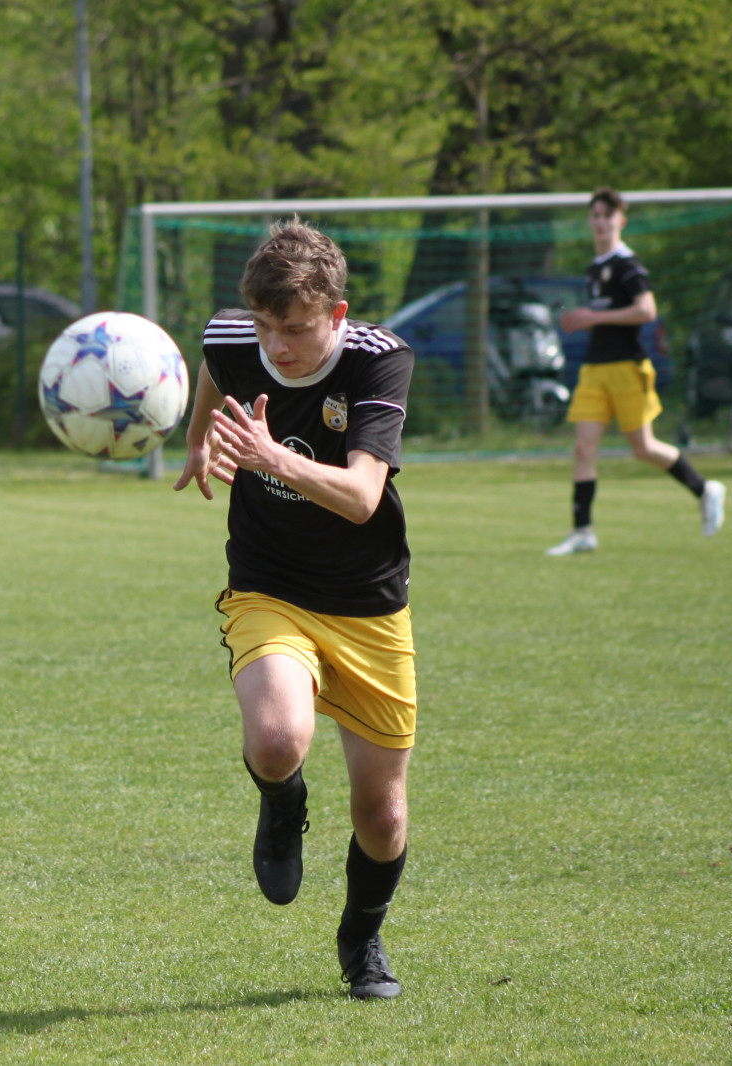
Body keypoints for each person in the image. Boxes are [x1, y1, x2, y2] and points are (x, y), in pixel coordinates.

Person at [174, 219, 416, 1000]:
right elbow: (217, 368)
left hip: (368, 603)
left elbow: (361, 496)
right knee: (279, 739)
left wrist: (267, 454)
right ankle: (283, 801)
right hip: (269, 583)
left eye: (298, 329)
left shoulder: (382, 361)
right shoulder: (235, 335)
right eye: (267, 327)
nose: (277, 346)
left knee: (381, 817)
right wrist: (199, 438)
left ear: (338, 315)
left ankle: (361, 939)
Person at [546, 187, 725, 556]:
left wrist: (593, 317)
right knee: (583, 448)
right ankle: (583, 531)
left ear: (620, 221)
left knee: (643, 447)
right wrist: (584, 322)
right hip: (595, 369)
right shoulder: (594, 267)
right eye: (595, 215)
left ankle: (705, 489)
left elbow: (647, 311)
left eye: (607, 216)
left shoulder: (628, 265)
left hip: (628, 367)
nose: (600, 222)